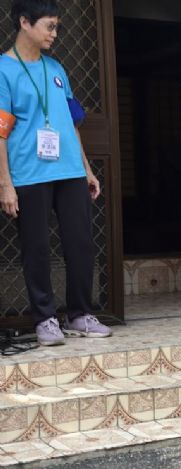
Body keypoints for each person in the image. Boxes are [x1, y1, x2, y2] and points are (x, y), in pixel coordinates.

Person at [0, 0, 111, 346]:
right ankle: (45, 319)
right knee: (36, 249)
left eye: (57, 27)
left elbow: (71, 124)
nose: (55, 33)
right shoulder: (4, 70)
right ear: (24, 22)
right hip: (29, 174)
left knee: (80, 244)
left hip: (69, 171)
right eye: (49, 26)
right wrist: (5, 183)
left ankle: (79, 314)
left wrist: (87, 169)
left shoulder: (57, 68)